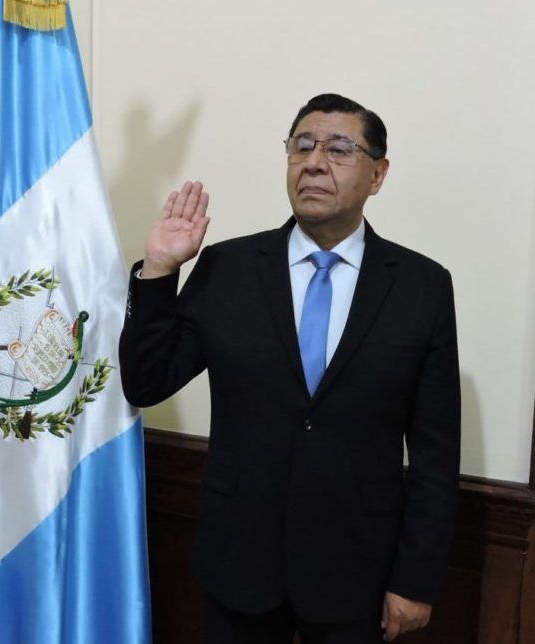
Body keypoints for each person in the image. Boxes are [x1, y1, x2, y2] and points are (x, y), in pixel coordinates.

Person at [119, 94, 460, 644]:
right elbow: (146, 381)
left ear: (378, 174)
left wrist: (416, 579)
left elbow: (436, 452)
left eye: (339, 149)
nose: (315, 163)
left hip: (358, 572)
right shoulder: (228, 268)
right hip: (239, 564)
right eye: (302, 146)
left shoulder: (422, 287)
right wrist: (158, 271)